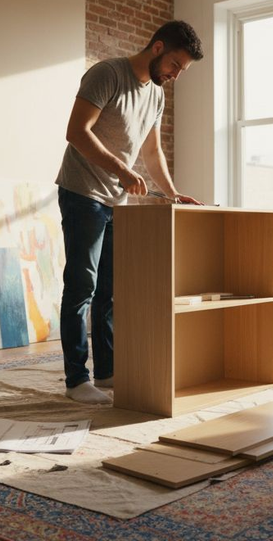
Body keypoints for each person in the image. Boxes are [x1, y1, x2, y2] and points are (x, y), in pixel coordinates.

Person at [55, 20, 204, 403]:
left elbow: (152, 152)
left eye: (181, 71)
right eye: (175, 65)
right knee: (81, 288)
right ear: (157, 48)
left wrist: (172, 192)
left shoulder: (155, 94)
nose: (174, 75)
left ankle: (106, 372)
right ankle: (77, 380)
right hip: (82, 192)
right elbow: (76, 131)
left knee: (109, 291)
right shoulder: (107, 74)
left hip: (115, 201)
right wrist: (122, 169)